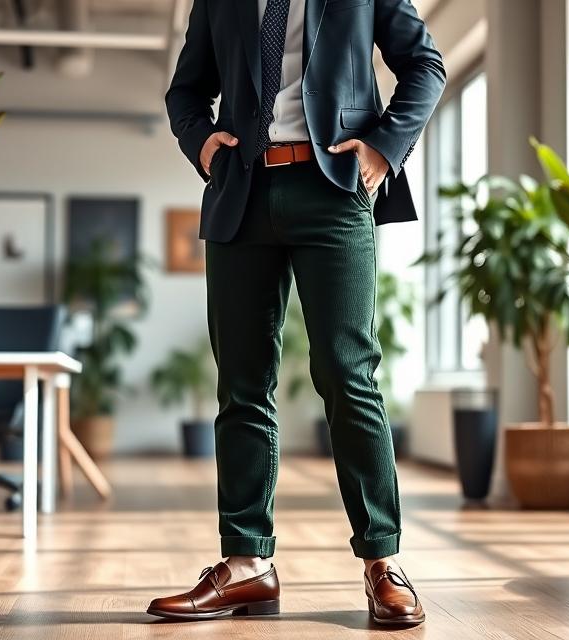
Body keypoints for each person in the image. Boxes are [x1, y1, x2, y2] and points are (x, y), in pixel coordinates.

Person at [150, 0, 445, 626]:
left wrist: (384, 148)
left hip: (334, 192)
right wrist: (202, 145)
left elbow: (425, 65)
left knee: (347, 373)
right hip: (242, 194)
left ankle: (382, 563)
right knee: (242, 383)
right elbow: (186, 90)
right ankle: (247, 564)